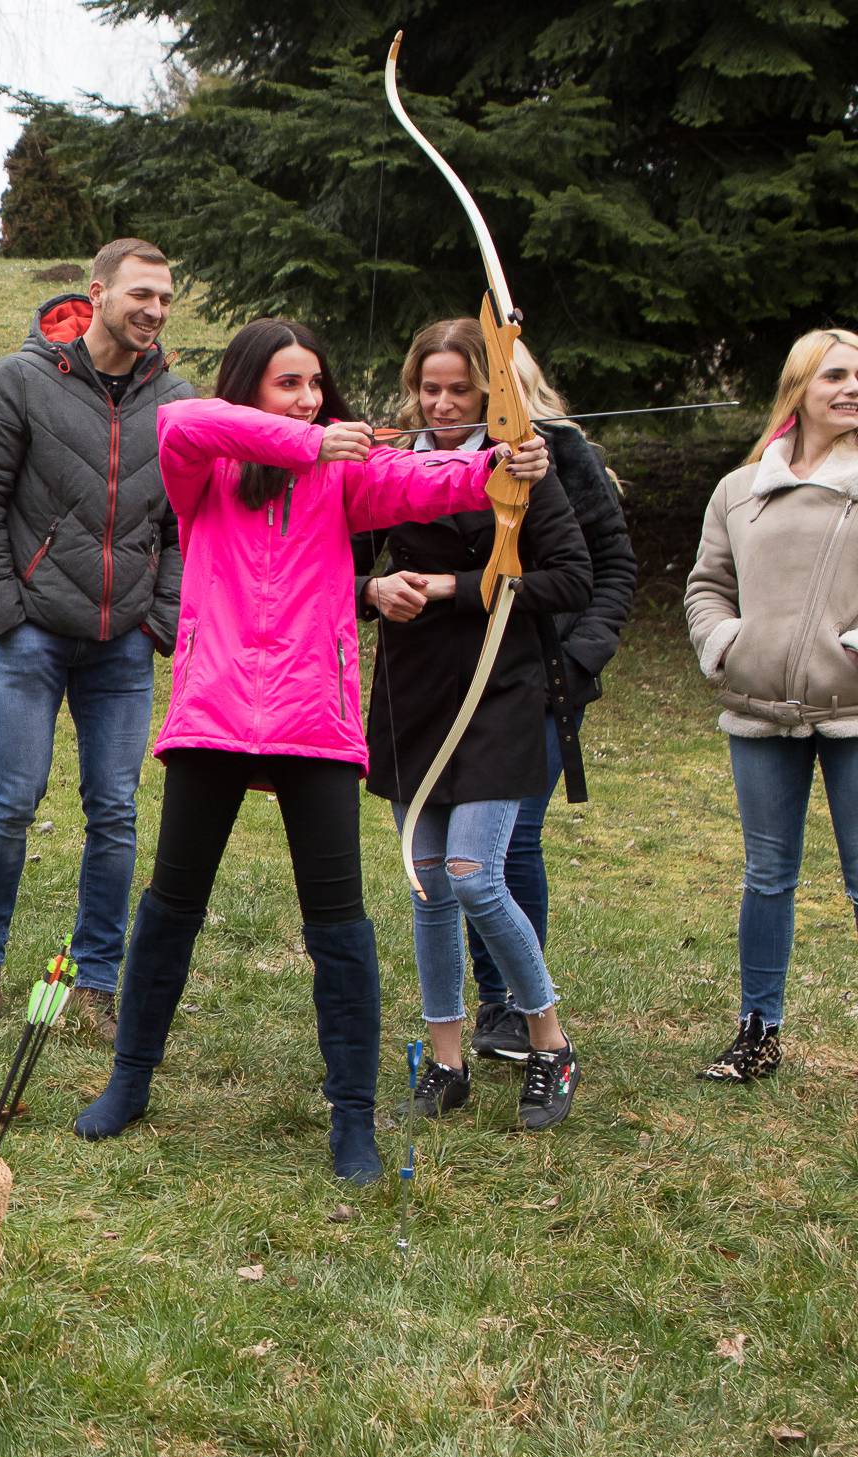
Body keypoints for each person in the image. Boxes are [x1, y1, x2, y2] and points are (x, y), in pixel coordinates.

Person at [71, 315, 552, 1180]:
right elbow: (181, 422)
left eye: (315, 385)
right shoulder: (207, 470)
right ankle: (130, 1080)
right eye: (287, 383)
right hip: (215, 713)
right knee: (170, 909)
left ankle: (352, 1119)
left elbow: (424, 479)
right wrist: (309, 441)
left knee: (338, 926)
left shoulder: (345, 478)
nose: (307, 397)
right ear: (251, 388)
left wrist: (496, 466)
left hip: (311, 719)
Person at [0, 239, 194, 1037]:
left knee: (115, 813)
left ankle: (95, 979)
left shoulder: (179, 402)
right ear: (97, 292)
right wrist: (5, 615)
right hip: (32, 636)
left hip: (123, 645)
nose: (153, 311)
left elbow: (191, 521)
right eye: (140, 295)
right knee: (13, 801)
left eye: (164, 299)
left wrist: (161, 615)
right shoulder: (16, 383)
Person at [358, 319, 594, 1133]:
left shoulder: (525, 467)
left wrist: (461, 588)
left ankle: (548, 1042)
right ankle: (447, 1059)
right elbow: (334, 557)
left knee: (471, 874)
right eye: (432, 388)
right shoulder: (391, 468)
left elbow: (571, 577)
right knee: (427, 883)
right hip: (413, 700)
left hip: (500, 697)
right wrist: (374, 591)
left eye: (462, 389)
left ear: (491, 396)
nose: (445, 402)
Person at [684, 328, 858, 1084]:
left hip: (854, 711)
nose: (851, 389)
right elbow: (705, 585)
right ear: (799, 389)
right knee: (767, 876)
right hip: (758, 713)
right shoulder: (739, 489)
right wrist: (727, 643)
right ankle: (758, 1032)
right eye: (837, 377)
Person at [459, 340, 636, 1063]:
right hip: (459, 679)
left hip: (542, 680)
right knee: (460, 848)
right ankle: (494, 1001)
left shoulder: (559, 450)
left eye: (476, 384)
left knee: (505, 846)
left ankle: (510, 1008)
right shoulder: (442, 452)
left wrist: (577, 655)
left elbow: (612, 568)